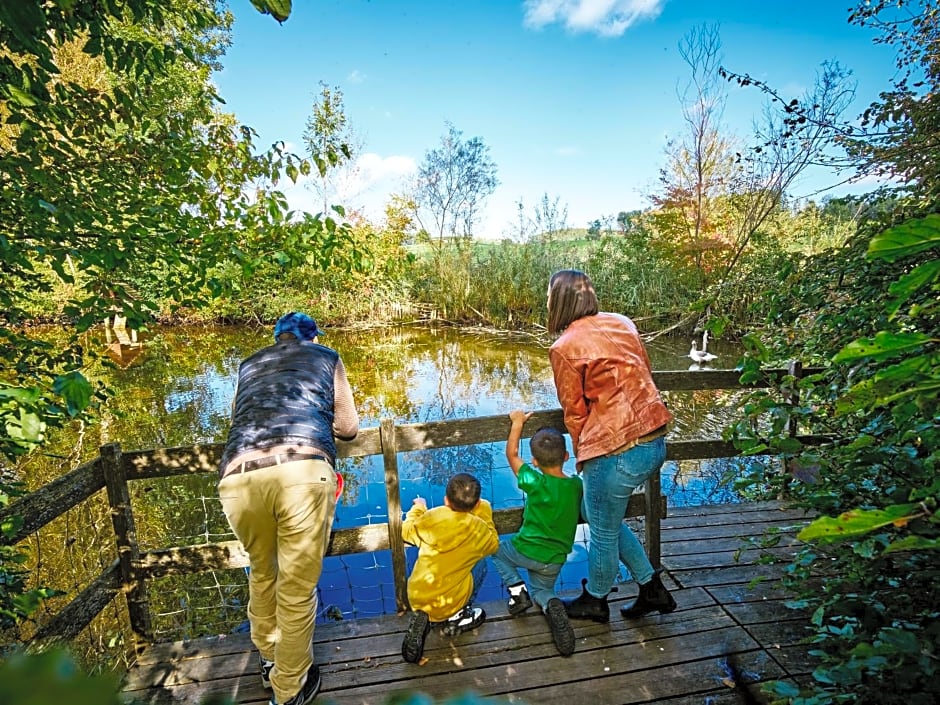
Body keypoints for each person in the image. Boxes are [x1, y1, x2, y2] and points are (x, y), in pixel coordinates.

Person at [217, 312, 359, 705]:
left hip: (237, 477)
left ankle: (269, 661)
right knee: (296, 590)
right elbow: (348, 428)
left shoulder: (250, 364)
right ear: (313, 338)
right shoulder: (326, 357)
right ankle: (289, 689)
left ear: (277, 339)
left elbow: (240, 419)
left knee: (262, 573)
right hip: (300, 471)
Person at [545, 269, 677, 623]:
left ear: (556, 301)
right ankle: (651, 589)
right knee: (601, 516)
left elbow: (574, 413)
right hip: (655, 438)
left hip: (618, 449)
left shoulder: (564, 347)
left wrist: (582, 459)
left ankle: (595, 599)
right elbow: (643, 371)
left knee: (601, 529)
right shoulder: (622, 322)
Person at [492, 410, 583, 656]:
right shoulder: (575, 486)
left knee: (496, 551)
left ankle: (517, 590)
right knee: (543, 590)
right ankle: (551, 603)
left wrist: (517, 423)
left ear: (534, 461)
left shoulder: (534, 480)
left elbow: (511, 454)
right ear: (566, 456)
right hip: (554, 559)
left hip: (523, 550)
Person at [400, 472, 499, 663]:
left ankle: (426, 618)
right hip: (448, 602)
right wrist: (484, 512)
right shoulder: (478, 529)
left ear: (446, 499)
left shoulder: (431, 518)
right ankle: (456, 616)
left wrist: (418, 508)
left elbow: (406, 531)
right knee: (480, 564)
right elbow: (493, 544)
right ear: (476, 504)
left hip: (418, 596)